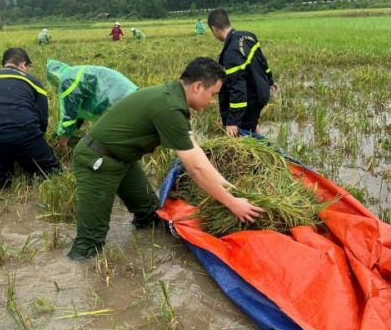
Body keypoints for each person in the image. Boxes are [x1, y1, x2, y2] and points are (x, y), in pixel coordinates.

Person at [67, 57, 266, 260]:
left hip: (123, 160)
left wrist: (225, 185)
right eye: (213, 94)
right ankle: (79, 277)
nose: (212, 101)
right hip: (97, 160)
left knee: (149, 214)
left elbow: (194, 149)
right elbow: (194, 168)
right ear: (198, 86)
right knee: (90, 241)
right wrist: (232, 204)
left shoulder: (174, 97)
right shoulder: (169, 107)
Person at [0, 47, 61, 191]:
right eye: (27, 67)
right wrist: (36, 140)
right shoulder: (33, 81)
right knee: (52, 174)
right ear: (23, 64)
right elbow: (42, 117)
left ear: (5, 63)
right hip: (25, 136)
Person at [207, 8, 278, 136]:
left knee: (241, 133)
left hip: (251, 97)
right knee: (251, 124)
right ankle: (256, 136)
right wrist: (270, 79)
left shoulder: (231, 53)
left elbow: (237, 87)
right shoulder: (248, 35)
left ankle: (255, 148)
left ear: (214, 29)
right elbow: (262, 60)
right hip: (261, 91)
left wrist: (233, 120)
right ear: (229, 20)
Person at [46, 60, 139, 153]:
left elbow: (69, 115)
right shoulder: (75, 71)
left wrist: (63, 144)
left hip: (116, 100)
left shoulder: (67, 80)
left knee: (117, 138)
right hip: (130, 92)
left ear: (53, 77)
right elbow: (81, 107)